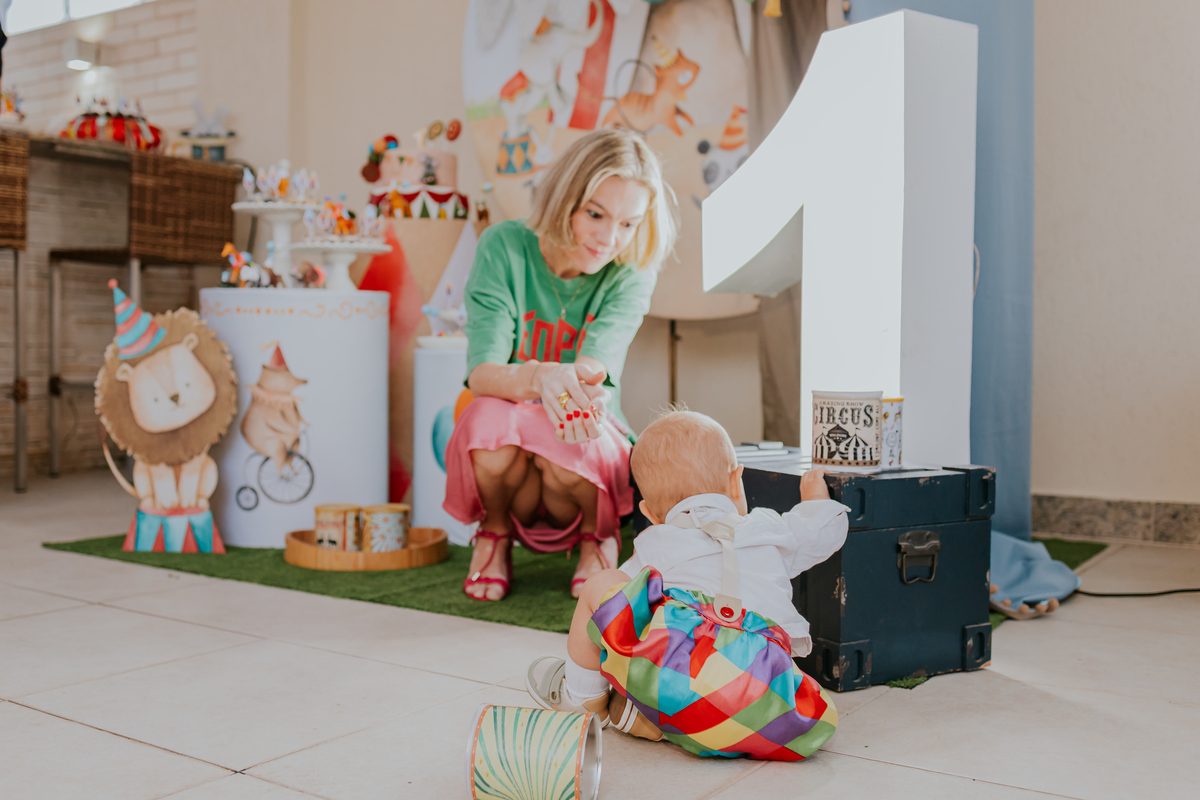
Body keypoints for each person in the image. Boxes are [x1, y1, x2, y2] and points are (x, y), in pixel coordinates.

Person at [525, 410, 849, 761]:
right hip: (769, 700)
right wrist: (815, 497)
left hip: (686, 689)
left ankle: (586, 703)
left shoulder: (655, 543)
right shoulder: (771, 529)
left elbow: (617, 614)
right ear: (736, 483)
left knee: (602, 590)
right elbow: (824, 529)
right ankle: (654, 718)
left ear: (650, 513)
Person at [443, 129, 678, 601]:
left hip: (574, 464)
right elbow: (483, 373)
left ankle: (597, 537)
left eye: (628, 224)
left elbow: (592, 372)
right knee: (484, 414)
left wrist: (563, 387)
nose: (609, 239)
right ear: (564, 197)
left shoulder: (632, 270)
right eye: (595, 214)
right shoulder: (503, 245)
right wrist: (542, 377)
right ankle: (493, 533)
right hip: (511, 452)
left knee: (575, 423)